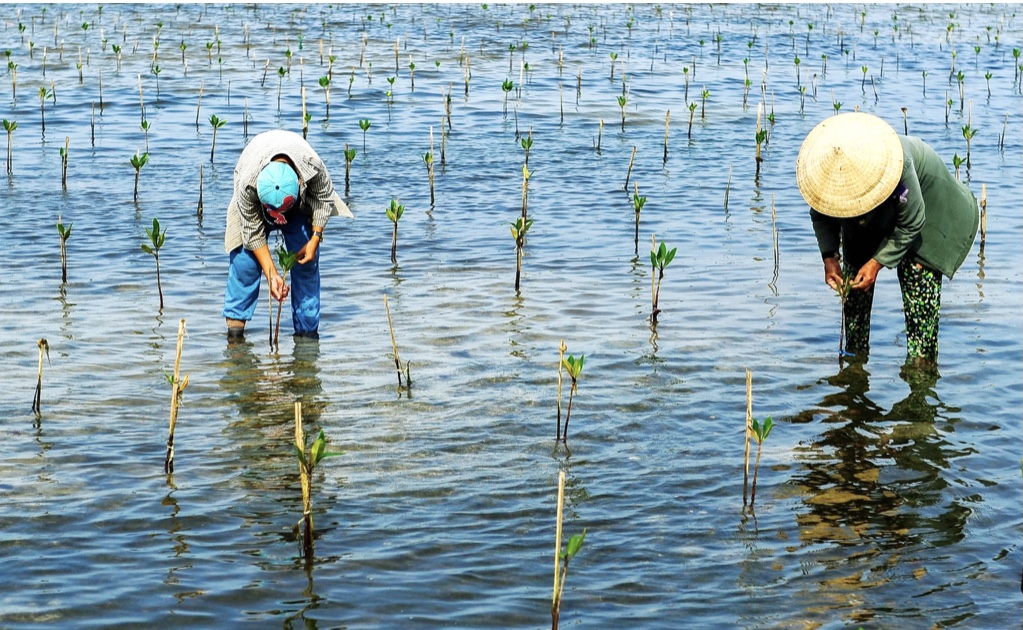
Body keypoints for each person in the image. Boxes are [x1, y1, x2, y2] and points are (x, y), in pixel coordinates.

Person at [796, 112, 979, 363]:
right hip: (873, 214)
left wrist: (877, 263)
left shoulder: (896, 164)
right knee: (854, 286)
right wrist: (830, 258)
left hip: (928, 212)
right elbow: (820, 213)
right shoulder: (828, 173)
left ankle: (921, 372)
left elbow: (913, 222)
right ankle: (855, 368)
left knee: (917, 287)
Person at [223, 129, 353, 340]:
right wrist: (272, 275)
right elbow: (252, 233)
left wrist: (315, 238)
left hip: (298, 207)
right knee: (244, 263)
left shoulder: (313, 167)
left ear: (300, 183)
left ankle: (307, 337)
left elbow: (324, 200)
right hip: (255, 202)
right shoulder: (248, 185)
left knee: (306, 263)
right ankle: (235, 338)